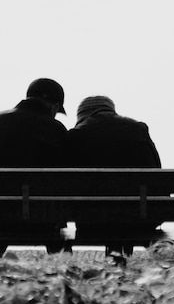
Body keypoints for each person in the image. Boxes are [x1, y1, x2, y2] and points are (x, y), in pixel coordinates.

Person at [0, 78, 70, 257]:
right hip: (44, 220)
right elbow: (67, 180)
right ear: (54, 106)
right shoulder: (56, 129)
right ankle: (64, 267)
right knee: (56, 206)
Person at [66, 95, 162, 255]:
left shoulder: (77, 135)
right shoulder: (138, 128)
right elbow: (156, 169)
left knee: (107, 208)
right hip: (142, 216)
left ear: (83, 115)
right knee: (128, 204)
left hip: (93, 221)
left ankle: (117, 260)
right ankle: (121, 259)